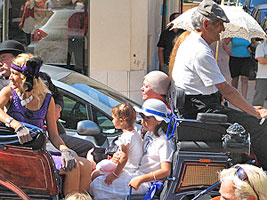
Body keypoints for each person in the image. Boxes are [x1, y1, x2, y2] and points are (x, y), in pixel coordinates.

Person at [171, 0, 267, 170]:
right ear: (207, 24)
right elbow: (227, 91)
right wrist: (254, 113)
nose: (223, 30)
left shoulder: (191, 43)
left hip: (202, 105)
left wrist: (249, 108)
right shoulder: (199, 51)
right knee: (260, 125)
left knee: (252, 115)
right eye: (220, 24)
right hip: (203, 110)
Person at [0, 53, 93, 195]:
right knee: (73, 168)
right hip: (17, 154)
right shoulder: (9, 93)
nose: (10, 77)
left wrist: (65, 150)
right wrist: (15, 125)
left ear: (27, 79)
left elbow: (54, 136)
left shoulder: (47, 99)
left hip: (38, 153)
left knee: (85, 166)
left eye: (14, 74)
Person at [0, 39, 96, 159]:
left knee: (80, 164)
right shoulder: (7, 90)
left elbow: (58, 98)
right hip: (14, 147)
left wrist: (56, 109)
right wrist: (16, 125)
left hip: (41, 143)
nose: (11, 78)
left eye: (3, 58)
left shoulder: (45, 90)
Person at [90, 98, 174, 200]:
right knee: (97, 178)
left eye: (147, 119)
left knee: (98, 185)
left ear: (159, 121)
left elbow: (166, 171)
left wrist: (141, 179)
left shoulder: (164, 141)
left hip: (147, 182)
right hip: (137, 173)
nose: (142, 122)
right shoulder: (149, 134)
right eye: (142, 117)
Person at [89, 103, 143, 183]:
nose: (112, 121)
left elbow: (124, 158)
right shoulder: (134, 133)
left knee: (95, 174)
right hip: (131, 167)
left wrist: (115, 175)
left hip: (128, 169)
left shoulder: (126, 138)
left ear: (121, 121)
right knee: (99, 167)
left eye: (114, 118)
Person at [66, 1, 88, 74]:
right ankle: (71, 68)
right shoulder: (73, 10)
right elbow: (69, 23)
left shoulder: (83, 11)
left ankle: (79, 70)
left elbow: (85, 24)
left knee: (78, 56)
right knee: (71, 55)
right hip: (73, 35)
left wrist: (82, 34)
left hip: (78, 36)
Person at [252, 29, 267, 107]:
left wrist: (265, 57)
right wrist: (264, 59)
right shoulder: (260, 47)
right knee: (259, 101)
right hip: (263, 77)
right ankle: (256, 118)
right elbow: (261, 60)